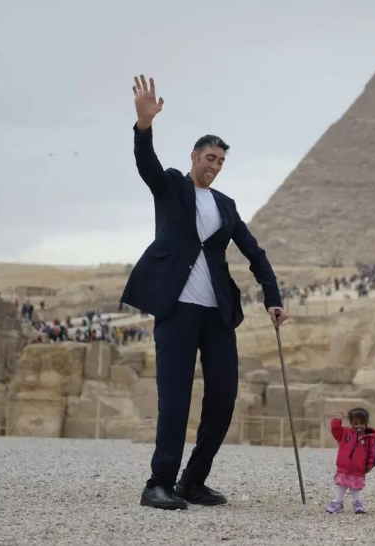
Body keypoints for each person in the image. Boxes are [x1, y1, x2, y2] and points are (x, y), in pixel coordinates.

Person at [120, 74, 289, 511]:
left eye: (220, 162)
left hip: (216, 316)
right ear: (194, 156)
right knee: (174, 400)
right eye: (209, 158)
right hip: (176, 311)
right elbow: (145, 165)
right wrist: (143, 125)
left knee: (223, 399)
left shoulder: (226, 206)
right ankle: (158, 483)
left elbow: (255, 252)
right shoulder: (173, 186)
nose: (214, 166)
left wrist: (273, 297)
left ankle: (192, 481)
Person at [326, 407, 375, 515]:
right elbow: (336, 431)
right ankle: (337, 502)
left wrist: (369, 466)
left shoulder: (369, 438)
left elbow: (372, 453)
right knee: (342, 485)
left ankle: (356, 503)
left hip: (358, 468)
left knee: (354, 486)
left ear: (366, 423)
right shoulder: (345, 433)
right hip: (344, 467)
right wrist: (337, 421)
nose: (358, 426)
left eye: (361, 423)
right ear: (351, 423)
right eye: (355, 423)